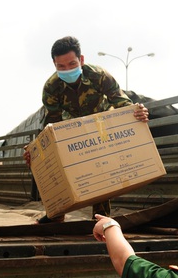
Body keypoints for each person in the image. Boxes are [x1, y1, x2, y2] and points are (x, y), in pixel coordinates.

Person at [29, 36, 149, 223]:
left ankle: (101, 218)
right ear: (54, 64)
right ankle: (57, 213)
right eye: (61, 66)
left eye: (72, 63)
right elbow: (51, 122)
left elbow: (121, 102)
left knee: (103, 169)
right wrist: (38, 151)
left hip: (102, 126)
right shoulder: (52, 87)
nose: (67, 69)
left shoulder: (99, 75)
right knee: (61, 166)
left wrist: (137, 112)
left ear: (81, 60)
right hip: (71, 130)